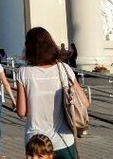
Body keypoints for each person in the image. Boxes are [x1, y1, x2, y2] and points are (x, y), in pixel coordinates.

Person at [16, 26, 86, 159]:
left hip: (36, 144)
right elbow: (84, 102)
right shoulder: (64, 69)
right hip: (63, 140)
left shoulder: (23, 72)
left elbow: (21, 111)